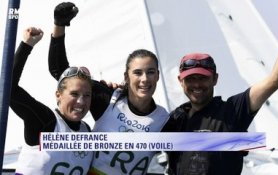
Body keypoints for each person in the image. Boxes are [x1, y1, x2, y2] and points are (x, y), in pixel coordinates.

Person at [161, 0, 278, 174]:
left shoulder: (233, 110)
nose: (196, 84)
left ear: (215, 79)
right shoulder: (174, 119)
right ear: (181, 82)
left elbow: (275, 79)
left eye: (203, 78)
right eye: (190, 79)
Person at [48, 2, 170, 175]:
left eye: (150, 72)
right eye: (137, 73)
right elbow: (60, 72)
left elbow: (195, 145)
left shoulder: (164, 119)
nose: (144, 79)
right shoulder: (109, 99)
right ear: (127, 77)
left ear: (158, 76)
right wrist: (59, 25)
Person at [10, 27, 94, 174]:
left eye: (87, 95)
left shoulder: (85, 130)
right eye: (74, 94)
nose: (81, 102)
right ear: (58, 95)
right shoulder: (45, 121)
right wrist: (26, 45)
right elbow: (8, 90)